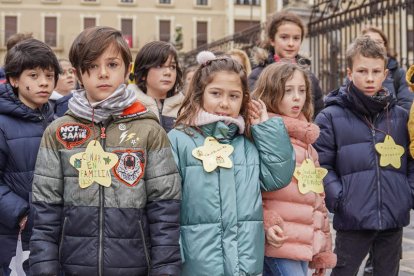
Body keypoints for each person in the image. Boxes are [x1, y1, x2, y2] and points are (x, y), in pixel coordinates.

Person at [29, 26, 181, 276]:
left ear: (127, 70)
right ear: (78, 73)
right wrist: (44, 268)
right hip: (72, 265)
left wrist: (165, 269)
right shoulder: (57, 131)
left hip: (135, 265)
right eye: (92, 65)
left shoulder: (149, 130)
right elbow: (45, 210)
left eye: (112, 64)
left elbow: (164, 209)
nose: (102, 74)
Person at [168, 50, 296, 275]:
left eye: (234, 96)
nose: (225, 103)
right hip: (199, 263)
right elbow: (167, 203)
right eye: (216, 93)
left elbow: (278, 176)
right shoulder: (180, 140)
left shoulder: (246, 143)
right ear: (200, 94)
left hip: (244, 262)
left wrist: (265, 128)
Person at [314, 36, 414, 276]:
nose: (369, 78)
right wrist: (341, 199)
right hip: (352, 219)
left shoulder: (400, 116)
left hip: (392, 217)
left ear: (385, 74)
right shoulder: (330, 116)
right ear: (349, 72)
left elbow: (411, 160)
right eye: (362, 71)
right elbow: (323, 165)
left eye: (376, 71)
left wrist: (407, 194)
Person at [252, 62, 337, 276]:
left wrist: (322, 250)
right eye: (288, 91)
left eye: (302, 90)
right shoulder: (262, 132)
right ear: (271, 93)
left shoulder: (306, 143)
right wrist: (267, 222)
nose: (297, 97)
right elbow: (250, 189)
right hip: (279, 240)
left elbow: (318, 200)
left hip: (303, 244)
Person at [0, 38, 59, 276]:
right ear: (14, 80)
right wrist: (21, 213)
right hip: (13, 236)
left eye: (49, 75)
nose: (44, 83)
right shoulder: (2, 123)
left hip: (52, 234)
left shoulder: (57, 121)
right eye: (33, 76)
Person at [248, 11, 324, 118]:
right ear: (272, 40)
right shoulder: (257, 75)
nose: (291, 44)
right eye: (284, 37)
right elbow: (253, 111)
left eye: (296, 38)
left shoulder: (310, 78)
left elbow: (318, 114)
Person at [128, 41, 184, 132]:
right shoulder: (127, 106)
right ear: (143, 73)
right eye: (159, 66)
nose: (168, 72)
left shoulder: (186, 109)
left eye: (172, 67)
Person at [361, 26, 413, 111]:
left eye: (378, 42)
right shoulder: (356, 73)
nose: (374, 46)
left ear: (385, 46)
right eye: (369, 42)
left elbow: (407, 108)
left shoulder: (399, 74)